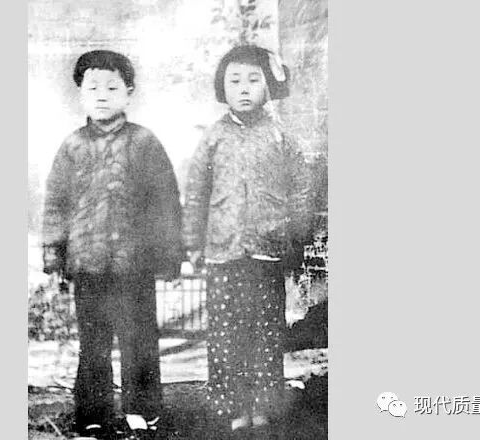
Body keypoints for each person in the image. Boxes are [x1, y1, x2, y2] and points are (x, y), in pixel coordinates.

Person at [41, 49, 183, 438]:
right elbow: (56, 205)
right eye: (93, 88)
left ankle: (142, 410)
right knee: (93, 344)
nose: (102, 95)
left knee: (139, 340)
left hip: (134, 265)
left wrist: (170, 255)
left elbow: (165, 202)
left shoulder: (144, 142)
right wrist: (55, 256)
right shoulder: (72, 146)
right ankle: (93, 414)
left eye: (111, 87)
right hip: (88, 265)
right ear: (81, 94)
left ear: (128, 93)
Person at [182, 45, 313, 435]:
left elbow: (302, 191)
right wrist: (193, 243)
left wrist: (296, 238)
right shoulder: (213, 138)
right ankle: (232, 406)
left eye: (254, 80)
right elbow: (196, 193)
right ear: (222, 89)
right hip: (223, 254)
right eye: (234, 81)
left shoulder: (280, 137)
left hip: (267, 255)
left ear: (269, 86)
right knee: (226, 336)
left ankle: (263, 405)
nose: (244, 88)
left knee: (266, 334)